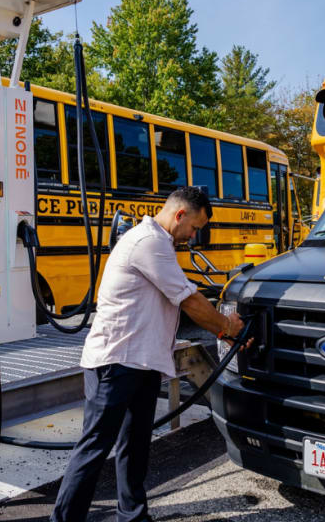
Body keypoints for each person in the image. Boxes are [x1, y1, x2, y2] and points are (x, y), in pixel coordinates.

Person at [51, 186, 246, 522]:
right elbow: (189, 300)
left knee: (135, 445)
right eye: (194, 228)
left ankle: (133, 515)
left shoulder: (159, 243)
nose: (193, 236)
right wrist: (229, 327)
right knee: (95, 449)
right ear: (180, 214)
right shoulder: (149, 242)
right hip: (116, 362)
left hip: (140, 363)